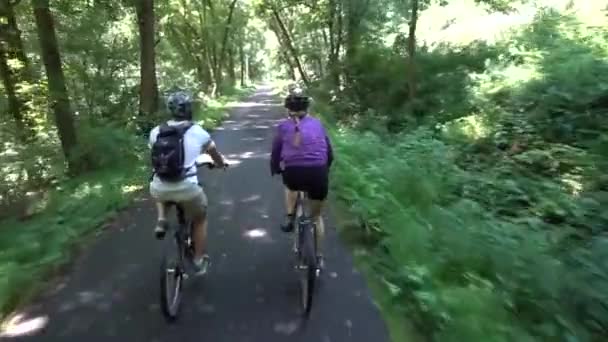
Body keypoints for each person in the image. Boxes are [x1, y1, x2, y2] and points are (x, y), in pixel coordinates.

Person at [149, 91, 227, 275]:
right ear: (189, 109)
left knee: (157, 182)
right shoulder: (198, 132)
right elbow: (215, 156)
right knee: (200, 219)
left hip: (160, 188)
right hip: (187, 188)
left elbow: (156, 160)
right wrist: (221, 164)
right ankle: (199, 260)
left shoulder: (156, 132)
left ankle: (161, 219)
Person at [270, 87, 334, 269]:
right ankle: (319, 257)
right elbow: (329, 152)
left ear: (287, 109)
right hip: (318, 173)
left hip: (294, 173)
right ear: (308, 108)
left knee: (290, 186)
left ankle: (290, 217)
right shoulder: (318, 124)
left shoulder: (283, 127)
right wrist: (324, 169)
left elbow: (276, 152)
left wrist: (275, 168)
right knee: (316, 217)